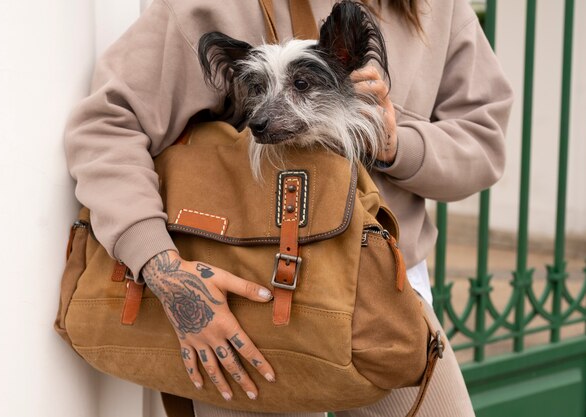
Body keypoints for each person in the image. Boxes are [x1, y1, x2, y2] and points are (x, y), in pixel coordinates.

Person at [64, 0, 513, 416]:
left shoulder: (435, 7)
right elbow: (108, 123)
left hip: (384, 284)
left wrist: (393, 142)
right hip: (239, 294)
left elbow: (482, 141)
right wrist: (164, 270)